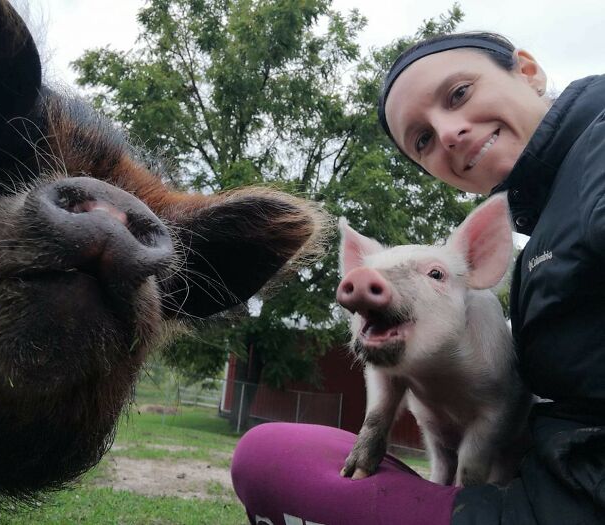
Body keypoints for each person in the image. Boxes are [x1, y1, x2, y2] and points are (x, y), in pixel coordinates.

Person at [230, 32, 605, 525]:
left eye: (459, 93)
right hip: (554, 482)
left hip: (569, 501)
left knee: (268, 459)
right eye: (423, 140)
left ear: (528, 71)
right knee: (273, 450)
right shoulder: (542, 228)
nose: (449, 134)